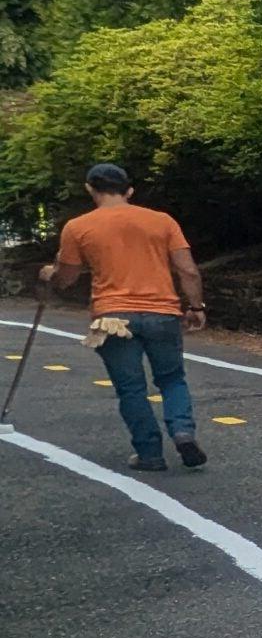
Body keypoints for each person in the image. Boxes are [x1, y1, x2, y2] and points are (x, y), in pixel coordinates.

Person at [37, 164, 209, 473]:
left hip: (113, 316)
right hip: (162, 313)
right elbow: (188, 269)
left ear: (90, 188)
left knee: (131, 388)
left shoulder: (78, 227)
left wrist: (51, 274)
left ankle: (149, 454)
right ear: (129, 190)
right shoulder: (162, 221)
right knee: (171, 379)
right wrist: (196, 306)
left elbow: (67, 278)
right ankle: (183, 431)